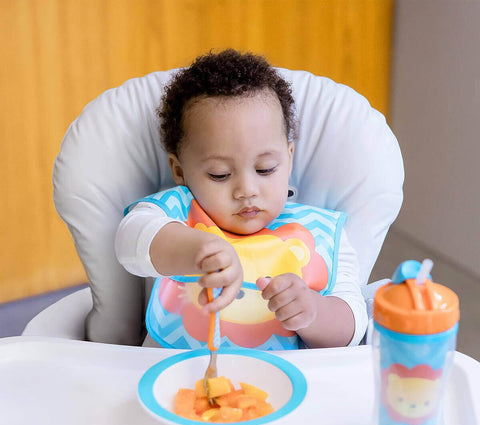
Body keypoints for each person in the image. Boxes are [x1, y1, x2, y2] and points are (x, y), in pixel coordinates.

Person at [115, 49, 367, 350]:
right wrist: (198, 249)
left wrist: (313, 312)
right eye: (220, 174)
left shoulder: (318, 232)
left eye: (265, 169)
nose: (247, 189)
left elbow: (353, 328)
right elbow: (129, 241)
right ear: (180, 171)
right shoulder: (177, 213)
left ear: (288, 159)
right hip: (172, 385)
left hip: (285, 390)